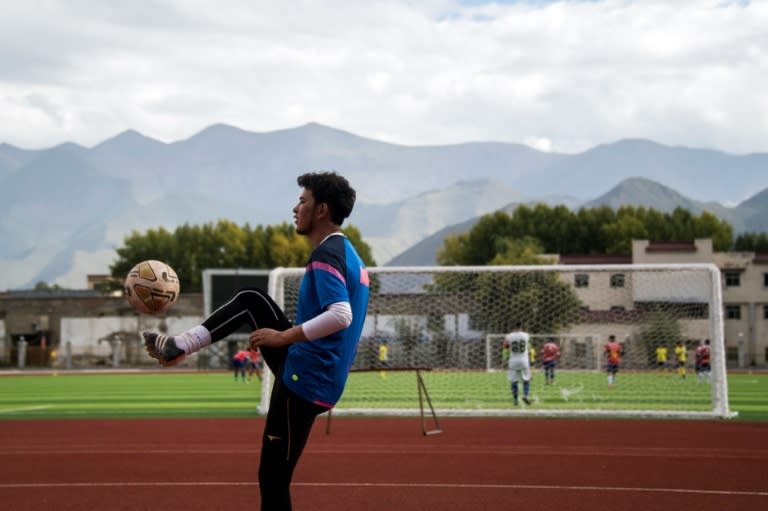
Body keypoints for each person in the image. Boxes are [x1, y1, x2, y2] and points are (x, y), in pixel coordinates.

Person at [142, 171, 369, 511]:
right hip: (312, 369)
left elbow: (341, 315)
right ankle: (180, 346)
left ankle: (180, 347)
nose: (295, 208)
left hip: (307, 379)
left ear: (322, 210)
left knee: (273, 478)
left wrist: (283, 336)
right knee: (252, 299)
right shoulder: (346, 250)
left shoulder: (326, 255)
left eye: (303, 201)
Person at [503, 322, 531, 405]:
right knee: (526, 380)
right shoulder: (526, 335)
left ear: (514, 328)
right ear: (521, 327)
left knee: (514, 381)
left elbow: (505, 346)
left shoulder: (509, 336)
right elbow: (528, 345)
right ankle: (525, 395)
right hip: (524, 360)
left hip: (513, 361)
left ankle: (515, 400)